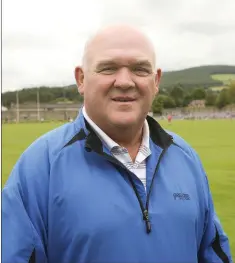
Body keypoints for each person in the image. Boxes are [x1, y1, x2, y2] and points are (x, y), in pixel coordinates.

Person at [2, 25, 232, 263]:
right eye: (108, 68)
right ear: (81, 79)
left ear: (156, 81)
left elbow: (212, 252)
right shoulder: (39, 167)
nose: (124, 81)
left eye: (140, 69)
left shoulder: (185, 158)